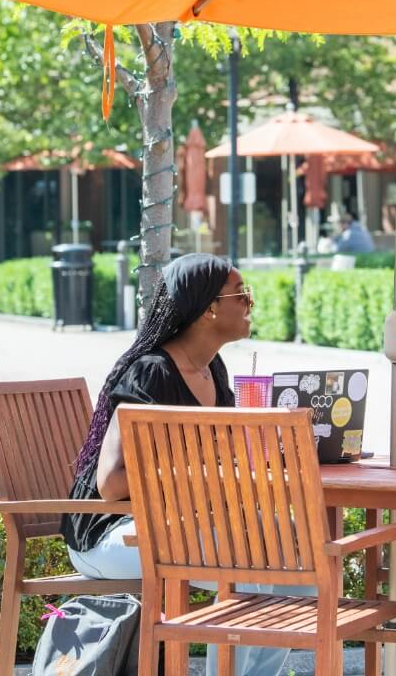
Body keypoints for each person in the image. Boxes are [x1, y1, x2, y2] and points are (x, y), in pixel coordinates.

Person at [62, 253, 295, 675]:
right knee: (247, 566)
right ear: (209, 308)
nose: (250, 303)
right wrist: (197, 471)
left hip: (171, 527)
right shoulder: (151, 373)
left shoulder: (212, 370)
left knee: (297, 564)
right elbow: (111, 483)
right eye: (241, 294)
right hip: (111, 532)